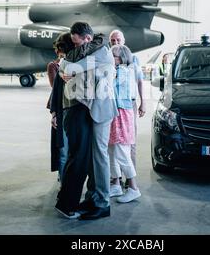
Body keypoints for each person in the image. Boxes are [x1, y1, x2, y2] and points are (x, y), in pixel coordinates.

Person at [56, 22, 117, 220]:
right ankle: (92, 198)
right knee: (91, 157)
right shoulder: (88, 52)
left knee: (99, 156)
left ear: (87, 38)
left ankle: (102, 203)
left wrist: (64, 65)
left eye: (76, 43)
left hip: (101, 110)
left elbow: (72, 69)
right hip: (90, 110)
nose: (75, 47)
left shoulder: (101, 53)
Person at [109, 30, 145, 180]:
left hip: (128, 104)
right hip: (115, 104)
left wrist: (143, 102)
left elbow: (139, 81)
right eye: (112, 41)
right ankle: (115, 179)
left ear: (123, 40)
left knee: (128, 142)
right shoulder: (111, 59)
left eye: (118, 40)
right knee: (114, 142)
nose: (115, 42)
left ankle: (130, 179)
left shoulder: (133, 59)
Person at [48, 33, 74, 185]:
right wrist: (54, 113)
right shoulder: (56, 66)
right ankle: (65, 185)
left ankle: (68, 183)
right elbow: (55, 90)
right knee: (63, 152)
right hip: (62, 110)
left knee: (70, 152)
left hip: (73, 111)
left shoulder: (79, 62)